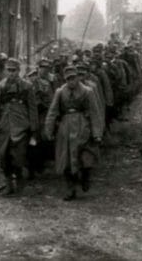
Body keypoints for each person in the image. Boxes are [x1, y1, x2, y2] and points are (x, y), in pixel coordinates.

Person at [45, 65, 102, 201]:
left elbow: (95, 113)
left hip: (83, 126)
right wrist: (49, 129)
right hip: (65, 128)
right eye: (68, 79)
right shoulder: (60, 92)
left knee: (85, 157)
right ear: (65, 79)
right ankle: (70, 188)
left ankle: (85, 176)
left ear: (78, 77)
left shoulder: (87, 92)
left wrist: (97, 133)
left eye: (74, 78)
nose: (71, 81)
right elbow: (53, 112)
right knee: (66, 160)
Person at [0, 57, 38, 196]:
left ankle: (20, 180)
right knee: (3, 156)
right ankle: (9, 184)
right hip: (4, 125)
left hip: (21, 125)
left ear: (19, 71)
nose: (11, 73)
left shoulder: (27, 86)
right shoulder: (1, 86)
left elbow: (32, 109)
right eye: (9, 70)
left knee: (18, 157)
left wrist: (34, 129)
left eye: (14, 70)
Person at [27, 58, 54, 178]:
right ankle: (30, 167)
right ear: (38, 68)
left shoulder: (47, 83)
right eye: (42, 68)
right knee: (28, 140)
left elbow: (51, 100)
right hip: (30, 114)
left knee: (43, 138)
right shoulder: (30, 82)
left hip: (43, 114)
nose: (44, 70)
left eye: (46, 68)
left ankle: (40, 164)